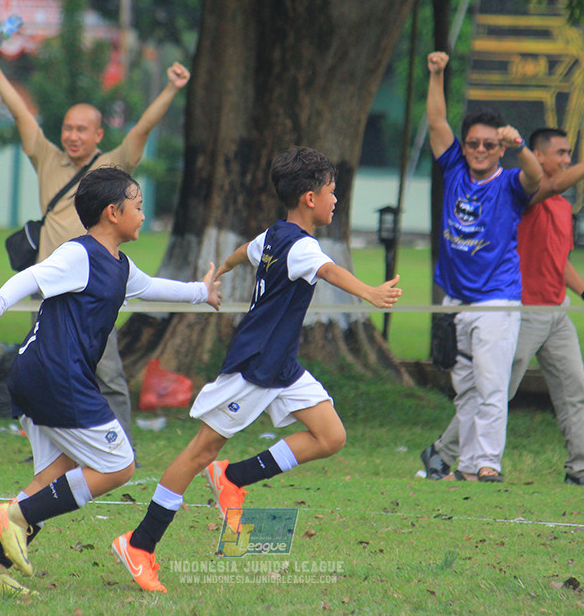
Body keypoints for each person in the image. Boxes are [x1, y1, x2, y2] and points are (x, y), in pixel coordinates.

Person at [110, 147, 402, 593]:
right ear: (309, 198)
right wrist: (370, 293)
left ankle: (234, 477)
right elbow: (329, 270)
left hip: (281, 365)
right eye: (331, 192)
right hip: (255, 367)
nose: (335, 201)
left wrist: (221, 270)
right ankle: (140, 544)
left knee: (331, 436)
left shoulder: (275, 234)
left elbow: (246, 251)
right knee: (197, 453)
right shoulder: (303, 245)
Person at [0, 167, 222, 595]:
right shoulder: (78, 254)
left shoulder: (118, 265)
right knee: (119, 465)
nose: (143, 213)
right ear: (112, 212)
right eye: (137, 206)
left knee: (54, 474)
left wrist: (201, 291)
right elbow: (33, 276)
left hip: (39, 375)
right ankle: (15, 515)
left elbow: (152, 287)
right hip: (56, 375)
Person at [0, 40, 191, 450]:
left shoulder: (112, 166)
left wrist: (171, 88)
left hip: (92, 291)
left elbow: (142, 129)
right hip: (49, 288)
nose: (72, 136)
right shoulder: (47, 158)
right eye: (68, 128)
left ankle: (121, 449)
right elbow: (21, 112)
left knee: (106, 372)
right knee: (45, 365)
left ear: (99, 134)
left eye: (81, 130)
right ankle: (50, 445)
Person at [421, 127, 584, 487]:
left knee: (576, 391)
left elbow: (558, 259)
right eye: (561, 153)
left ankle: (582, 470)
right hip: (520, 312)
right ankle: (443, 451)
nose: (566, 159)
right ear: (538, 156)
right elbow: (553, 183)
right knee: (495, 389)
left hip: (556, 313)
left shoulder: (562, 207)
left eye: (569, 153)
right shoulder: (525, 194)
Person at [426, 51, 543, 483]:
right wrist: (436, 75)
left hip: (497, 298)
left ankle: (488, 462)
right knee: (466, 389)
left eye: (488, 145)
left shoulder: (509, 181)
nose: (479, 150)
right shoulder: (455, 168)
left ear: (500, 148)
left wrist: (520, 147)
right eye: (473, 143)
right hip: (455, 299)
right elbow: (437, 124)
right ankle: (468, 465)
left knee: (492, 386)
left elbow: (536, 179)